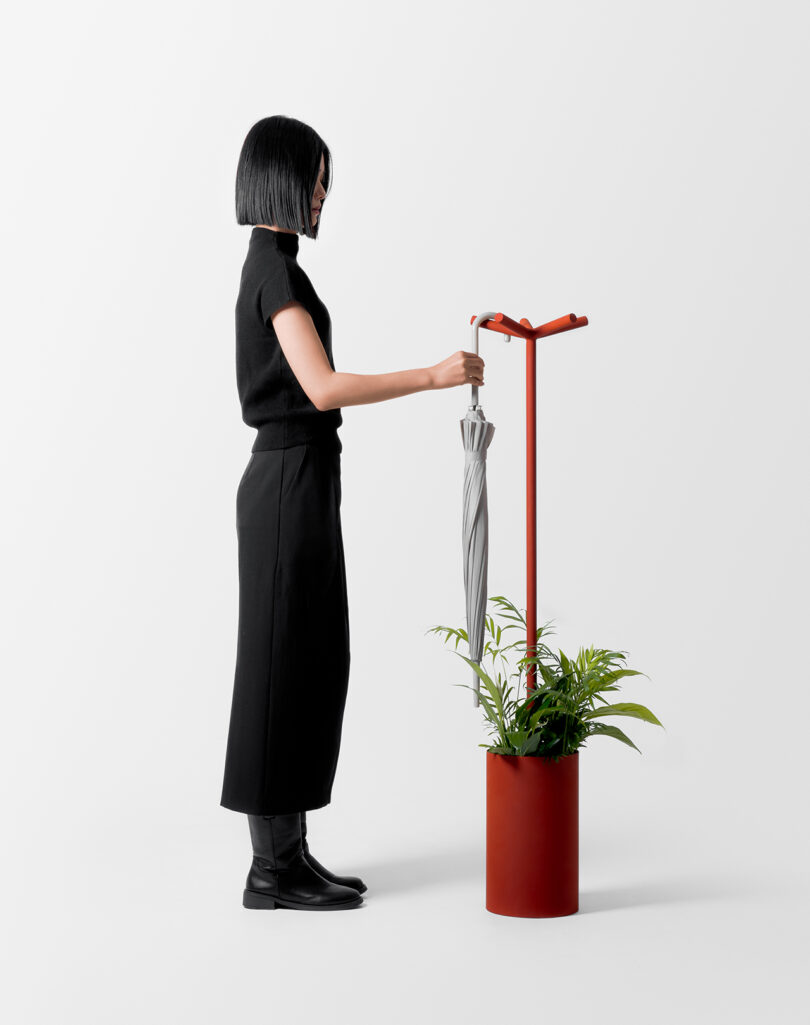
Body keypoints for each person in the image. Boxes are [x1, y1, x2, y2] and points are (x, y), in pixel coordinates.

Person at [220, 115, 486, 911]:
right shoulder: (272, 270)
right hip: (285, 479)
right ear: (284, 179)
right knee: (278, 663)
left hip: (300, 477)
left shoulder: (277, 266)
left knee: (307, 655)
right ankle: (270, 870)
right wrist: (433, 376)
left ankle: (291, 852)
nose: (323, 193)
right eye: (316, 177)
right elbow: (323, 387)